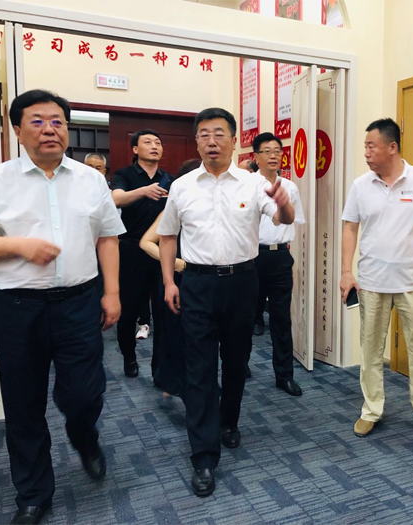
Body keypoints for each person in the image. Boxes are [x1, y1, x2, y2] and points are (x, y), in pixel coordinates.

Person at [0, 89, 125, 525]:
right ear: (17, 130)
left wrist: (112, 292)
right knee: (23, 404)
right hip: (17, 306)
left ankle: (84, 437)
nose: (49, 129)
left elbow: (108, 237)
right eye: (37, 121)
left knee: (85, 394)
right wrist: (19, 246)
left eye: (57, 121)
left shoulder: (91, 179)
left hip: (79, 302)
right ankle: (33, 494)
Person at [157, 108, 294, 498]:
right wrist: (169, 282)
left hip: (242, 282)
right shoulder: (182, 186)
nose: (211, 141)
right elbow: (167, 236)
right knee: (199, 368)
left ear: (234, 141)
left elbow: (284, 218)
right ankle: (203, 455)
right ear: (197, 141)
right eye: (204, 134)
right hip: (197, 283)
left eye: (219, 134)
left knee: (236, 361)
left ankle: (229, 420)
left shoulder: (253, 184)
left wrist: (283, 202)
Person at [339, 118, 413, 438]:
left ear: (392, 147)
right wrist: (346, 272)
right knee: (370, 350)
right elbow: (350, 228)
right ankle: (371, 409)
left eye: (372, 146)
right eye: (365, 146)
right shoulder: (360, 185)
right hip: (372, 281)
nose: (366, 152)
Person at [139, 158, 202, 398]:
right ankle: (172, 383)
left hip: (201, 279)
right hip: (174, 278)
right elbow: (146, 242)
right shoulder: (173, 208)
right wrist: (174, 263)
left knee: (198, 336)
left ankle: (195, 382)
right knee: (173, 333)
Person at [111, 130, 172, 378]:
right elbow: (117, 199)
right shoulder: (124, 175)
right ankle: (129, 356)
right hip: (131, 249)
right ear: (135, 149)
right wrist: (143, 191)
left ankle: (160, 367)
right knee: (128, 310)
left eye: (158, 142)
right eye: (148, 142)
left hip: (161, 250)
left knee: (163, 310)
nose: (154, 146)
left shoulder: (169, 179)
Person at [250, 132, 305, 395]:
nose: (273, 155)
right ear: (256, 157)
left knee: (281, 319)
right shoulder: (247, 184)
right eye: (267, 151)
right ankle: (239, 365)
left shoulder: (289, 187)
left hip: (281, 257)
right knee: (245, 316)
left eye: (277, 151)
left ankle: (284, 375)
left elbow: (293, 220)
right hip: (251, 258)